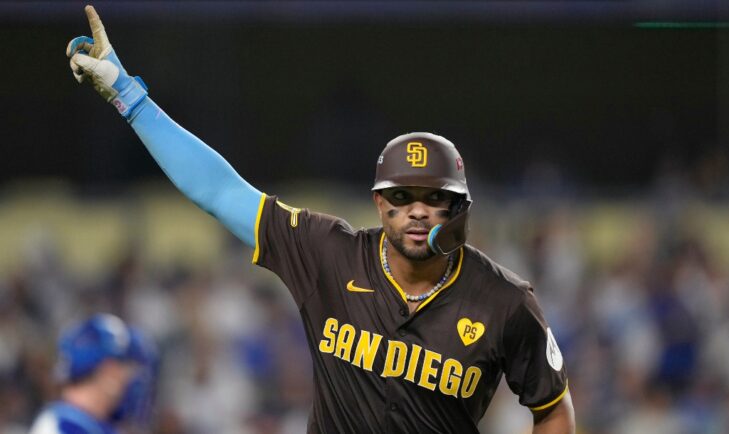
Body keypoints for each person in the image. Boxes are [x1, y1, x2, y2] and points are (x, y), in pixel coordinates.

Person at [65, 5, 575, 433]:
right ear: (380, 203)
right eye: (402, 194)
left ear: (459, 208)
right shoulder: (328, 252)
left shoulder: (505, 301)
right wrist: (130, 98)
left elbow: (552, 408)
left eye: (434, 197)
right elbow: (219, 191)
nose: (417, 210)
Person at [28, 313, 156, 434]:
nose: (129, 379)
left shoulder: (93, 425)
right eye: (126, 370)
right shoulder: (61, 426)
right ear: (108, 371)